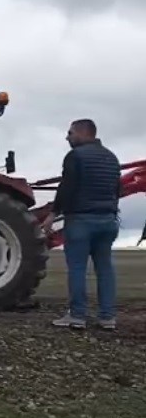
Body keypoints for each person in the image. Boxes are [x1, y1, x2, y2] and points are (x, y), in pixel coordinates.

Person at [43, 119, 122, 330]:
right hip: (107, 221)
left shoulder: (75, 156)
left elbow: (66, 187)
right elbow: (117, 189)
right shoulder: (111, 157)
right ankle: (107, 317)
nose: (67, 137)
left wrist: (52, 214)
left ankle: (77, 316)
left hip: (81, 220)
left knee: (77, 268)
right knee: (105, 269)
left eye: (70, 133)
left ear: (82, 133)